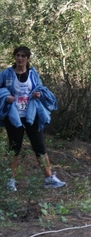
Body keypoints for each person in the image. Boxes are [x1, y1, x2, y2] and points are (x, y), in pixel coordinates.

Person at [0, 46, 65, 191]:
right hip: (14, 117)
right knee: (14, 149)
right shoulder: (6, 74)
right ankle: (10, 181)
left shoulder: (33, 74)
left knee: (40, 147)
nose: (20, 58)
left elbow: (40, 89)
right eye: (18, 55)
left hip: (31, 115)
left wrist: (38, 95)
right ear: (14, 57)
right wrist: (6, 96)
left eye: (23, 56)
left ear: (27, 59)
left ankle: (49, 179)